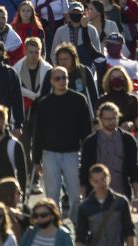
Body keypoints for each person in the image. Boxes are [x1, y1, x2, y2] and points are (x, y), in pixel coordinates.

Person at [30, 65, 93, 222]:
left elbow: (86, 132)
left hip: (72, 154)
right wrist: (36, 160)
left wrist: (88, 156)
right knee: (52, 196)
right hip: (49, 154)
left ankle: (78, 227)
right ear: (51, 81)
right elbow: (38, 133)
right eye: (57, 78)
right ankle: (55, 228)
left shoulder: (79, 100)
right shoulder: (44, 103)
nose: (61, 81)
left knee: (76, 195)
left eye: (64, 77)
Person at [79, 102, 138, 206]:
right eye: (107, 119)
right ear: (100, 119)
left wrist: (136, 197)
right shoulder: (90, 142)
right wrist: (84, 199)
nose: (112, 122)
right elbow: (84, 171)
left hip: (121, 195)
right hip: (96, 198)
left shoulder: (128, 140)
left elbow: (134, 169)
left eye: (114, 118)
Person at [75, 163, 136, 246]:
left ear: (109, 178)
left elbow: (129, 232)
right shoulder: (84, 207)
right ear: (91, 182)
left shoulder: (121, 202)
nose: (100, 184)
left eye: (103, 179)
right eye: (96, 181)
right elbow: (80, 237)